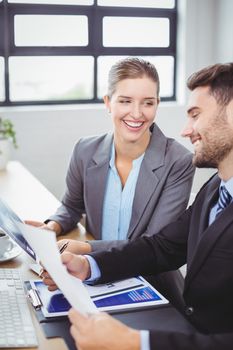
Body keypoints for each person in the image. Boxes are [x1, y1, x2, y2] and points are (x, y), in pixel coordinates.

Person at [43, 62, 233, 350]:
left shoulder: (181, 163)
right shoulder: (215, 189)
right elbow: (163, 247)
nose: (185, 130)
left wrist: (136, 342)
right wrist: (88, 265)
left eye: (195, 115)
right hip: (186, 330)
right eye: (125, 100)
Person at [28, 58, 194, 303]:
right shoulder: (85, 150)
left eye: (147, 103)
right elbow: (72, 205)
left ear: (157, 105)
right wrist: (51, 227)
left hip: (149, 282)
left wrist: (86, 251)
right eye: (125, 101)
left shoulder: (178, 161)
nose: (136, 113)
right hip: (89, 278)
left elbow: (152, 245)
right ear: (108, 103)